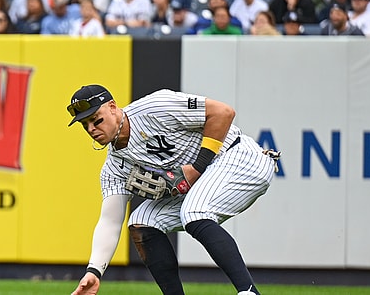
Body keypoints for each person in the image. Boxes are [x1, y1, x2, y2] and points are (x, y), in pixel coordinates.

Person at [66, 84, 274, 295]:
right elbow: (110, 221)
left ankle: (248, 291)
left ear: (112, 107)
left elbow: (223, 112)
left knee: (194, 211)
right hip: (206, 179)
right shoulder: (114, 168)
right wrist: (94, 271)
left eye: (96, 120)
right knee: (142, 222)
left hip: (240, 157)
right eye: (85, 124)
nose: (91, 129)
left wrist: (197, 168)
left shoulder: (154, 107)